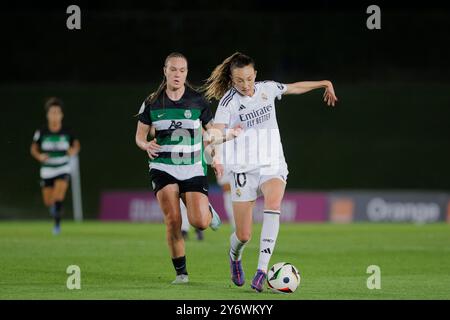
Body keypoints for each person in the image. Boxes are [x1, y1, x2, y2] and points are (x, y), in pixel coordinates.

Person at [203, 52, 338, 292]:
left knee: (273, 204)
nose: (245, 85)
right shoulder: (228, 102)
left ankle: (261, 271)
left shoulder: (267, 88)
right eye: (239, 81)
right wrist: (219, 146)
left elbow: (294, 88)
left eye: (248, 78)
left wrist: (324, 83)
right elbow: (213, 134)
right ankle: (234, 257)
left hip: (272, 163)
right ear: (232, 80)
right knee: (243, 235)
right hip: (243, 167)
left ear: (255, 74)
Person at [135, 52, 238, 284]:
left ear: (186, 73)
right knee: (172, 220)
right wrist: (145, 145)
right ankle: (181, 273)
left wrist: (219, 155)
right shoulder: (152, 102)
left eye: (182, 70)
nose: (177, 74)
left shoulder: (198, 101)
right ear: (165, 71)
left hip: (192, 168)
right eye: (173, 69)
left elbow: (211, 135)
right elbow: (139, 136)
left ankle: (208, 212)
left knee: (199, 222)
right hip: (162, 167)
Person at [30, 97, 81, 235]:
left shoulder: (67, 131)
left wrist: (73, 151)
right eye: (52, 112)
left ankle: (57, 226)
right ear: (47, 115)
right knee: (48, 201)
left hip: (63, 167)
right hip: (47, 170)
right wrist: (40, 156)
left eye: (57, 112)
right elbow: (33, 148)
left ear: (61, 115)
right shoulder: (41, 132)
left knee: (58, 196)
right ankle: (55, 210)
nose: (55, 115)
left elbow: (76, 145)